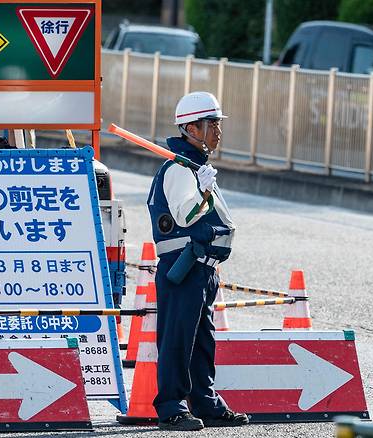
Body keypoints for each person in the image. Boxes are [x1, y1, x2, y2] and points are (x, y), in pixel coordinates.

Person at [147, 92, 249, 431]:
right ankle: (171, 406)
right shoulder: (179, 169)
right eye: (212, 124)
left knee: (202, 340)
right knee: (177, 337)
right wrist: (204, 192)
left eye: (218, 124)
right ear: (191, 127)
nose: (218, 132)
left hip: (203, 268)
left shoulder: (196, 167)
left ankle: (206, 403)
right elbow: (187, 216)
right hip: (184, 266)